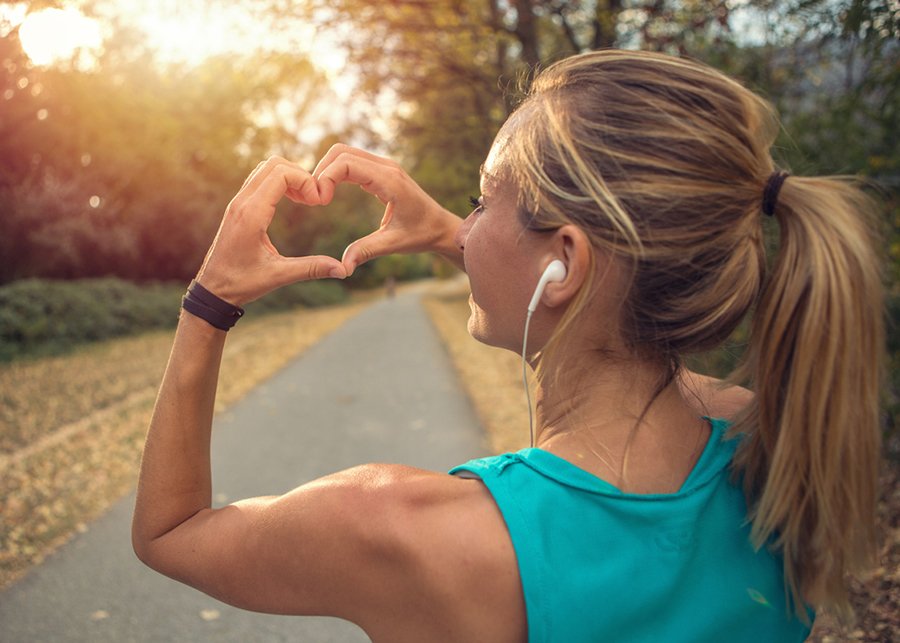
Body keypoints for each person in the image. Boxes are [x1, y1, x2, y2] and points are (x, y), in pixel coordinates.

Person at [132, 50, 883, 642]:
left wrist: (210, 299)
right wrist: (446, 232)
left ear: (563, 262)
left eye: (482, 200)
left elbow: (170, 533)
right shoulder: (771, 442)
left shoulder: (407, 531)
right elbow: (587, 304)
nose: (465, 226)